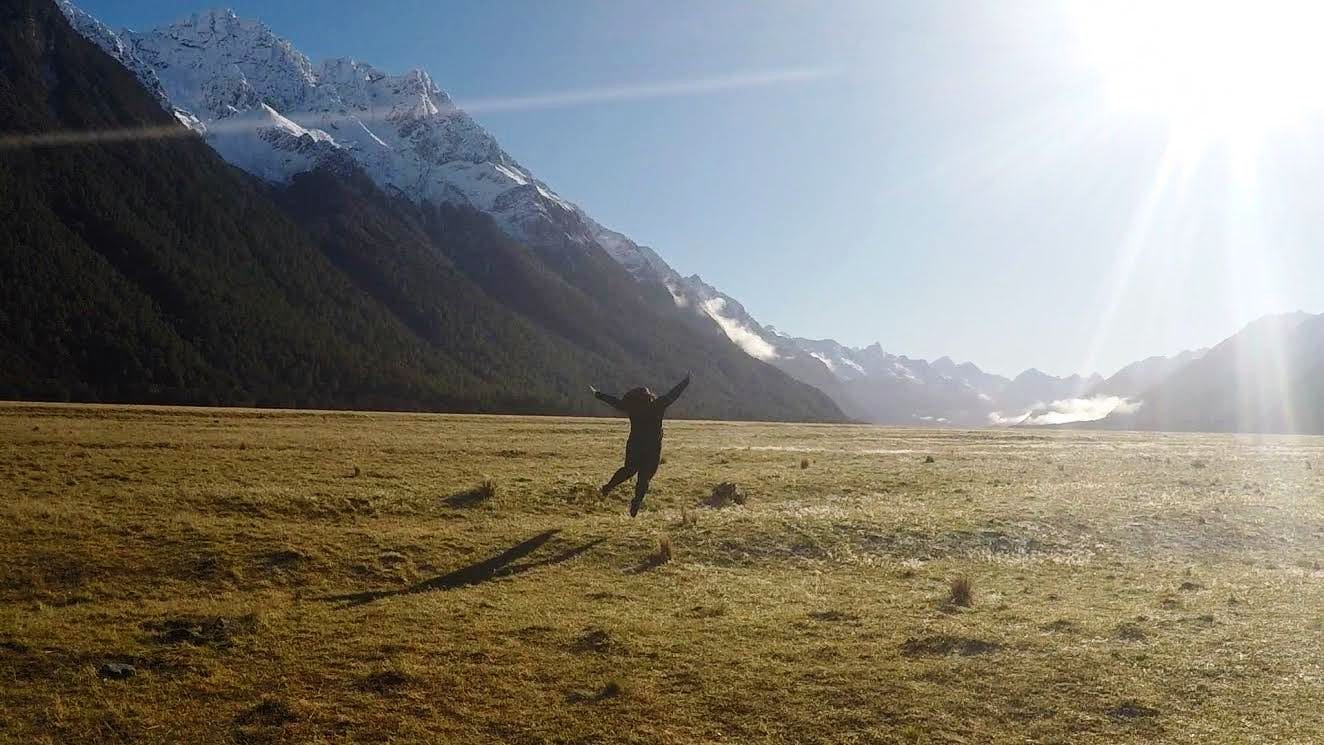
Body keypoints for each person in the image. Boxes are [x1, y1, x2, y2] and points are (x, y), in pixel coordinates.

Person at [591, 372, 691, 517]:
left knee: (628, 470)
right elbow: (673, 394)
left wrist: (598, 394)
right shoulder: (658, 404)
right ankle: (637, 501)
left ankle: (608, 487)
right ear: (649, 397)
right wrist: (685, 381)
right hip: (652, 448)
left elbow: (615, 402)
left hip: (635, 445)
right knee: (644, 477)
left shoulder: (632, 407)